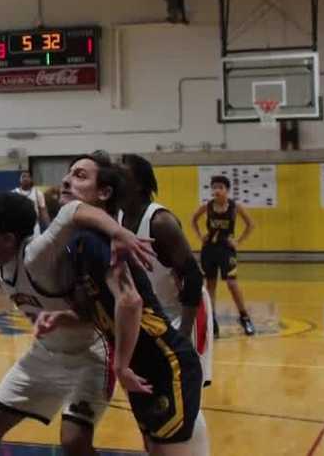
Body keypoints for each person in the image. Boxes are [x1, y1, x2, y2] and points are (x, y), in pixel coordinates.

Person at [41, 153, 208, 454]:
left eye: (80, 176)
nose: (66, 180)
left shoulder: (96, 239)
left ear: (104, 193)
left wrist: (119, 365)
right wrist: (64, 318)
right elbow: (106, 310)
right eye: (68, 174)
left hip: (165, 360)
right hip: (143, 362)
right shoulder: (81, 239)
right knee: (155, 448)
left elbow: (130, 301)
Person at [0, 188, 152, 456]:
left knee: (74, 441)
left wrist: (118, 232)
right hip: (44, 354)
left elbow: (72, 211)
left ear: (8, 239)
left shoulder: (37, 255)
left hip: (90, 355)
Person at [121, 154, 213, 385]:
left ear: (140, 184)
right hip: (152, 317)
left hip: (182, 313)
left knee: (184, 393)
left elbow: (193, 276)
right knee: (157, 391)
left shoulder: (160, 222)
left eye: (123, 175)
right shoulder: (118, 217)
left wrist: (183, 334)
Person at [190, 175, 254, 338]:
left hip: (226, 249)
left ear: (227, 190)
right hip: (209, 249)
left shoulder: (234, 207)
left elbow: (250, 224)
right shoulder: (207, 206)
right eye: (214, 187)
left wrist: (238, 241)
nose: (216, 190)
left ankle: (244, 317)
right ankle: (212, 321)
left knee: (232, 283)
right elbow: (193, 220)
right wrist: (200, 237)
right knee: (210, 285)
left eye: (220, 187)